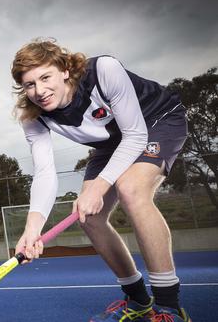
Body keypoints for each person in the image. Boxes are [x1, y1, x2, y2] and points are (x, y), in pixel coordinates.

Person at [10, 39, 191, 321]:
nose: (40, 91)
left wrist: (100, 185)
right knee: (88, 217)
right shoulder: (33, 117)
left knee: (131, 189)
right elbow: (45, 173)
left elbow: (135, 136)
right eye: (29, 84)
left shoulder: (103, 71)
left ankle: (168, 307)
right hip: (112, 142)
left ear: (65, 70)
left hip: (157, 121)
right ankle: (138, 300)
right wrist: (32, 230)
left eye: (45, 77)